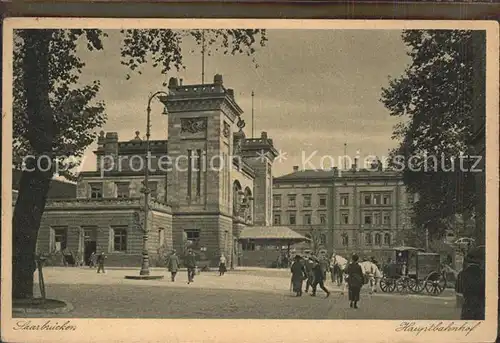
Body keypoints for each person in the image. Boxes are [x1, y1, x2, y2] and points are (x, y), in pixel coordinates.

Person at [459, 247, 485, 320]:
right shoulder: (483, 274)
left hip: (467, 307)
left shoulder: (463, 274)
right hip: (481, 307)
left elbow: (459, 290)